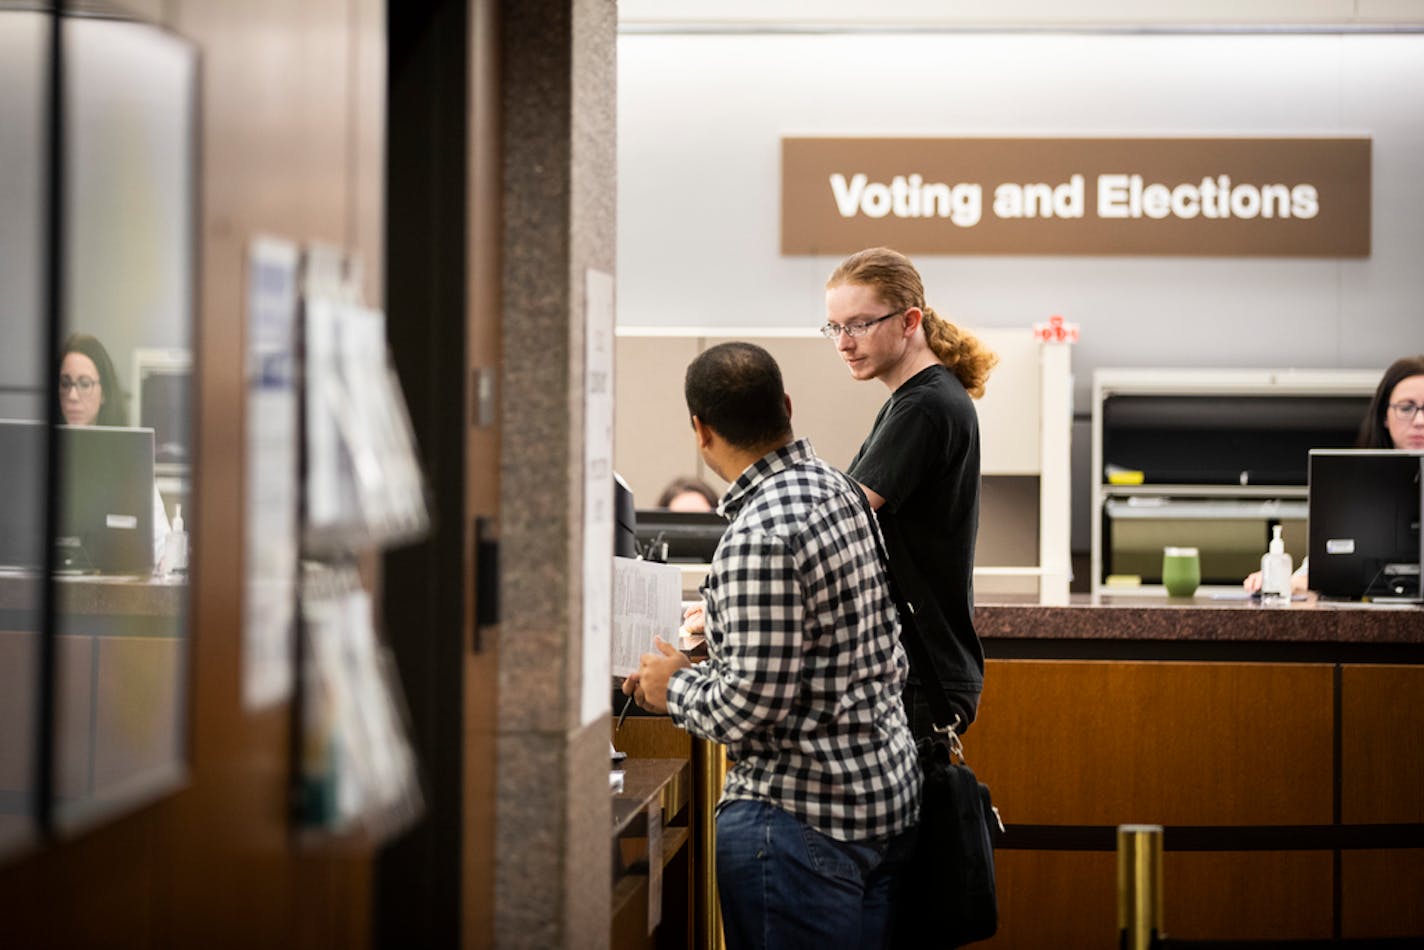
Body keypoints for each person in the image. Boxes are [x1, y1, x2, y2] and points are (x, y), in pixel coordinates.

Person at [623, 342, 919, 950]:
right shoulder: (837, 489)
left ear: (700, 432)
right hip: (881, 802)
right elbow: (839, 640)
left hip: (799, 823)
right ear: (786, 405)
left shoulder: (758, 534)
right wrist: (728, 631)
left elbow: (749, 709)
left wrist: (670, 685)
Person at [823, 247, 997, 739]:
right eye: (834, 327)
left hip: (921, 677)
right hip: (921, 671)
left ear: (909, 320)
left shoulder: (925, 406)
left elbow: (841, 519)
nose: (843, 342)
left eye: (858, 324)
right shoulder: (919, 399)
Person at [1243, 354, 1424, 593]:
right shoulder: (1355, 485)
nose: (1419, 420)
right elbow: (1328, 565)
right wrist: (1284, 580)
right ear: (1384, 417)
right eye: (1406, 408)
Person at [59, 332, 171, 568]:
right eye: (65, 383)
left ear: (104, 393)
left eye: (84, 384)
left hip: (111, 593)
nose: (72, 395)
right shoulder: (38, 454)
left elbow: (162, 546)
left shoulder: (127, 457)